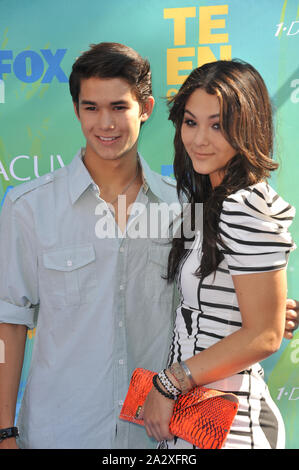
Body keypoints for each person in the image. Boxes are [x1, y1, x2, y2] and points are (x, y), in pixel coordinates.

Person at [0, 44, 297, 450]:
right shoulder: (28, 208)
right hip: (62, 431)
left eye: (119, 107)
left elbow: (227, 307)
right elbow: (9, 324)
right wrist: (4, 430)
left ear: (146, 107)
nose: (106, 123)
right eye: (91, 108)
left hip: (162, 434)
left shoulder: (185, 207)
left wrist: (262, 313)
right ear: (76, 110)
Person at [142, 60, 296, 449]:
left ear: (248, 127)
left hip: (229, 428)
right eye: (190, 122)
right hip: (196, 420)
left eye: (218, 125)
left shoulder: (244, 206)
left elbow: (264, 335)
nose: (199, 139)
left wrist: (168, 383)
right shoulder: (211, 203)